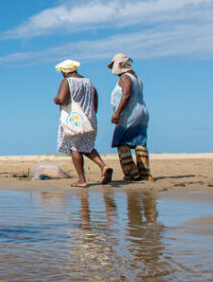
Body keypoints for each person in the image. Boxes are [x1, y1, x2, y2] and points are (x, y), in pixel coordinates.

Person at [53, 60, 112, 187]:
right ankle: (103, 166)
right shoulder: (88, 82)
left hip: (74, 120)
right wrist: (90, 115)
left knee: (75, 147)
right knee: (86, 145)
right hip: (90, 118)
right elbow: (95, 102)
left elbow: (61, 99)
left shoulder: (67, 81)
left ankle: (81, 180)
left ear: (65, 71)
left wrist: (56, 99)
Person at [108, 53, 152, 181]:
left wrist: (117, 113)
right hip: (142, 112)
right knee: (140, 142)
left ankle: (131, 173)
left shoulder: (125, 77)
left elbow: (126, 95)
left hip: (129, 113)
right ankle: (145, 173)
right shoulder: (136, 78)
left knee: (122, 143)